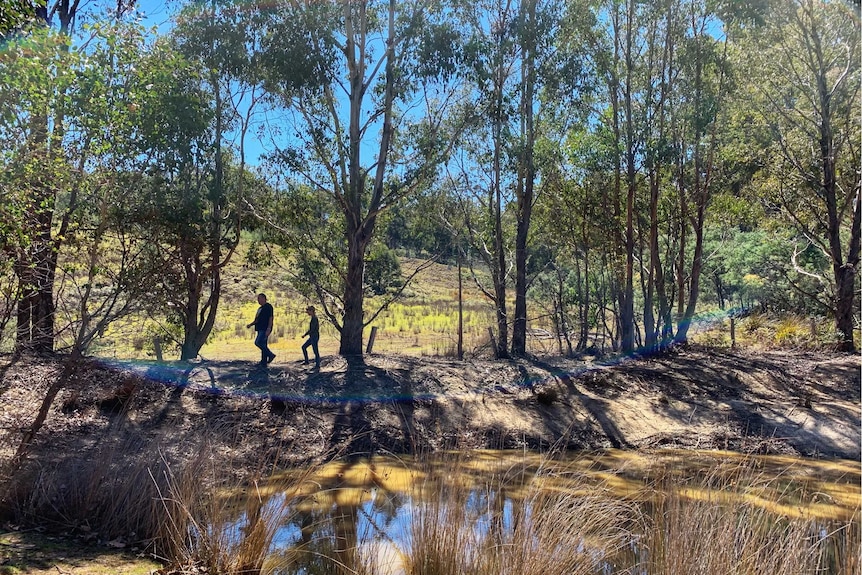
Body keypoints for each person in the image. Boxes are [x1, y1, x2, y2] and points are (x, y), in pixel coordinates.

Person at [246, 293, 275, 365]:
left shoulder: (268, 307)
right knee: (263, 344)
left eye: (259, 298)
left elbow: (270, 318)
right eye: (258, 299)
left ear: (264, 298)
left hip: (265, 328)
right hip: (260, 328)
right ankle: (263, 361)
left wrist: (269, 328)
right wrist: (251, 324)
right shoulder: (260, 308)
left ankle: (270, 354)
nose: (258, 300)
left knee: (258, 342)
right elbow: (257, 320)